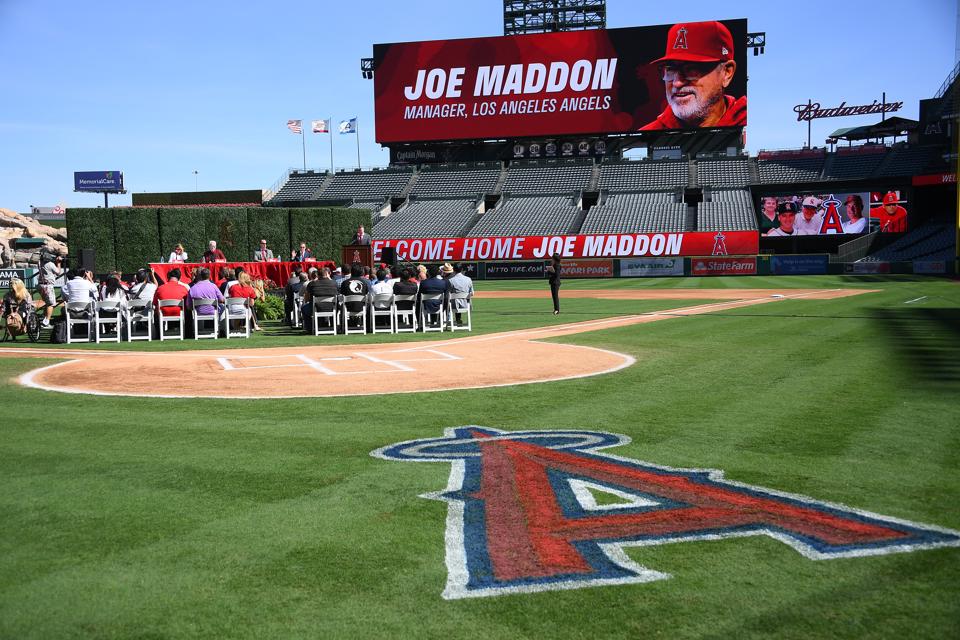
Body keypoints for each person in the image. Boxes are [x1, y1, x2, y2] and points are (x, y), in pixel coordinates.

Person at [640, 21, 746, 130]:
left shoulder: (753, 123)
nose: (677, 82)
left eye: (691, 69)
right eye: (670, 69)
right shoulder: (648, 134)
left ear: (726, 73)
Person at [301, 267, 339, 332]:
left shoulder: (312, 284)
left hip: (316, 308)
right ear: (327, 274)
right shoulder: (334, 283)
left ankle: (309, 329)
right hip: (332, 307)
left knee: (304, 308)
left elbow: (306, 299)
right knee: (338, 306)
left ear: (318, 275)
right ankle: (333, 326)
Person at [38, 254, 63, 327]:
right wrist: (58, 263)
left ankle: (44, 318)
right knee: (51, 304)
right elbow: (58, 272)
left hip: (41, 285)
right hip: (47, 286)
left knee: (48, 303)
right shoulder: (50, 264)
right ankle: (46, 322)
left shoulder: (39, 262)